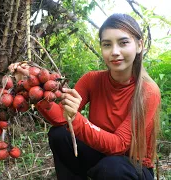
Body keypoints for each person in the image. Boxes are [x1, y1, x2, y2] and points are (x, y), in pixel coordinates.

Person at [10, 13, 161, 180]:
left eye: (123, 43)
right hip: (102, 155)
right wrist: (32, 87)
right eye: (107, 44)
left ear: (139, 45)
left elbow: (119, 145)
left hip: (133, 166)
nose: (115, 52)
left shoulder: (148, 91)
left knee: (111, 168)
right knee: (59, 135)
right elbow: (60, 118)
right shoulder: (92, 80)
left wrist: (75, 118)